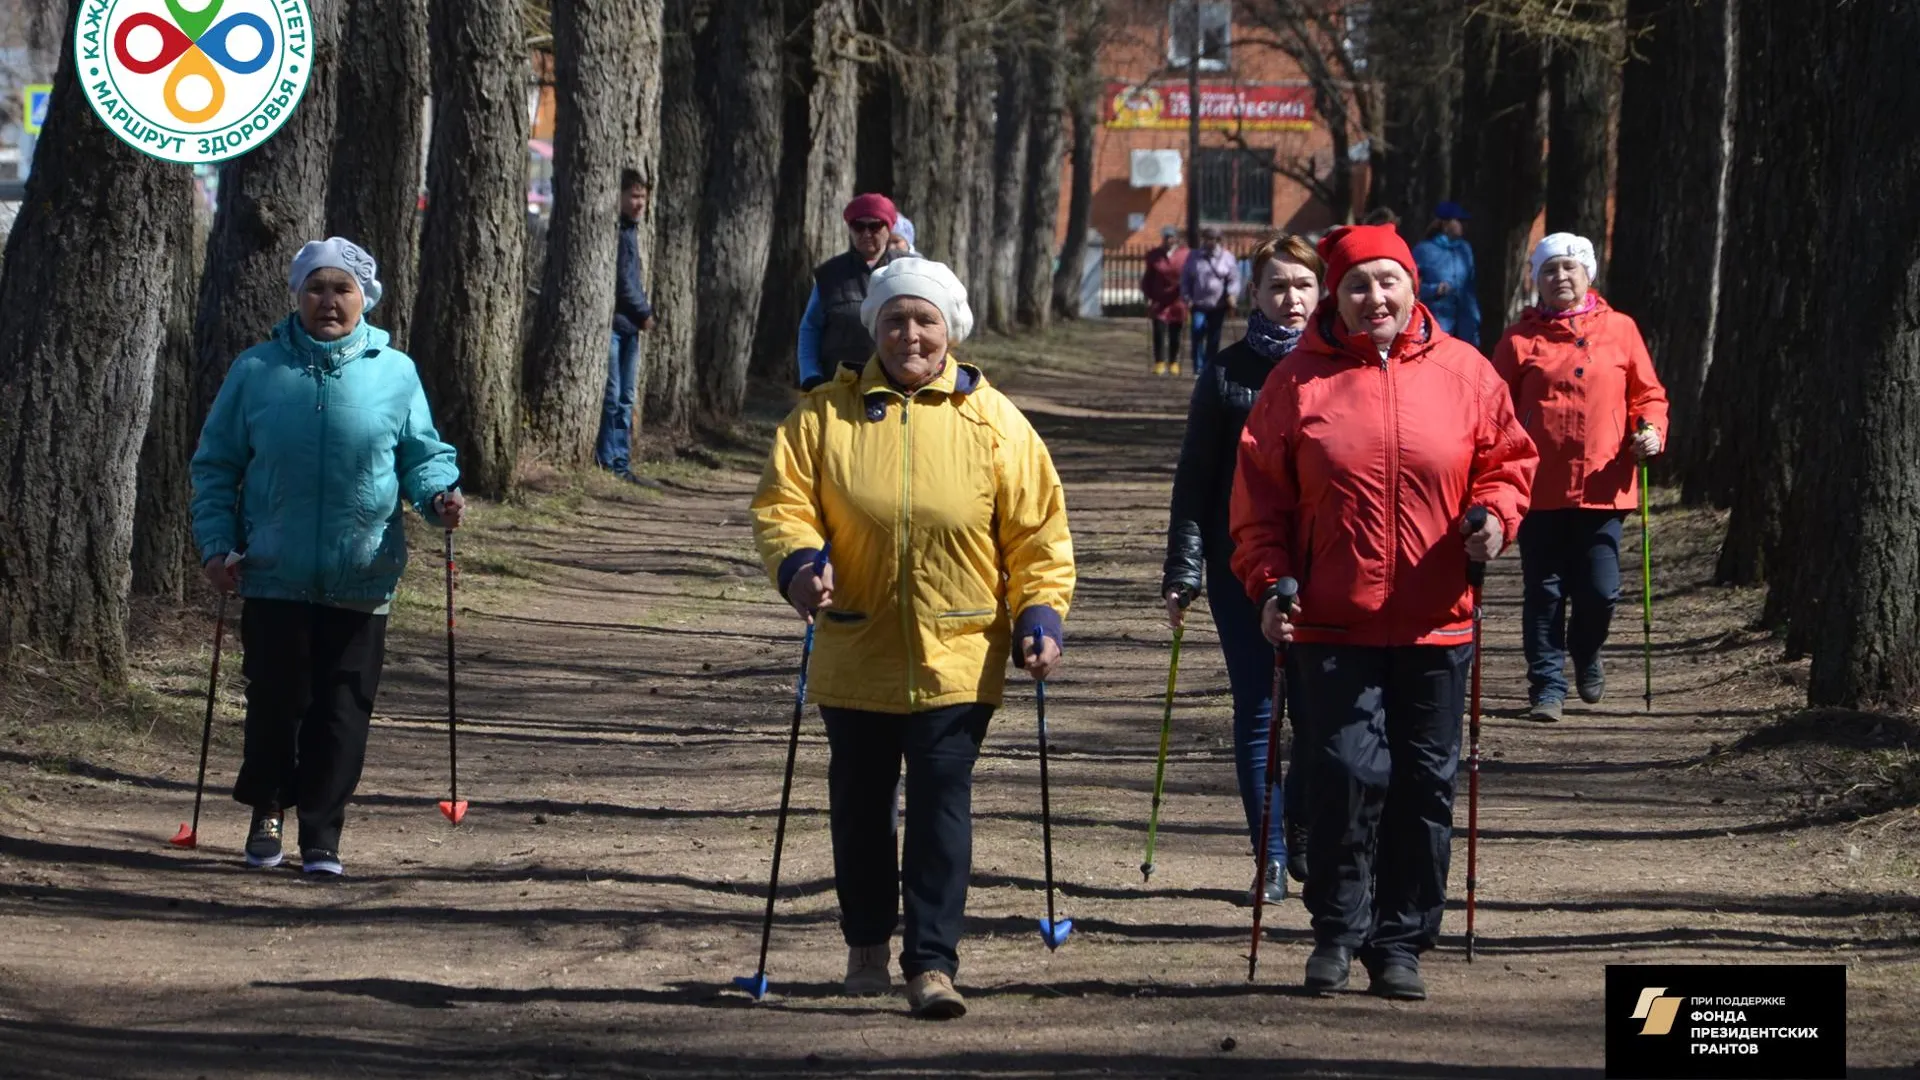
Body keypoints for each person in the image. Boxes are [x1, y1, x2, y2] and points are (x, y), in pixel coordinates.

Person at [751, 256, 1075, 1020]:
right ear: (875, 331)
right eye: (895, 320)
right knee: (860, 804)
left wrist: (1040, 614)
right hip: (855, 644)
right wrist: (799, 564)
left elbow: (1038, 533)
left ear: (949, 330)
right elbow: (783, 505)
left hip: (960, 650)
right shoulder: (821, 417)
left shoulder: (995, 421)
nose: (910, 334)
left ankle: (932, 963)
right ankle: (865, 946)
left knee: (940, 805)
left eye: (924, 320)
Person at [1231, 224, 1536, 1001]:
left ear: (1413, 286)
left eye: (1387, 282)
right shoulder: (1295, 382)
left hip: (1438, 618)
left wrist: (1494, 518)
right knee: (1343, 774)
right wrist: (1271, 581)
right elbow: (1259, 502)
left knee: (1425, 784)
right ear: (1335, 296)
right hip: (1332, 619)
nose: (1374, 298)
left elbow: (1508, 464)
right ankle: (1338, 929)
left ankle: (1401, 939)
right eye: (1357, 285)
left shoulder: (1467, 372)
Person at [191, 237, 465, 878]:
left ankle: (322, 835)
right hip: (272, 572)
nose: (328, 301)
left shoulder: (394, 372)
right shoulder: (256, 371)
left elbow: (422, 457)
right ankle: (267, 811)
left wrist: (438, 499)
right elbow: (216, 467)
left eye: (342, 289)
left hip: (361, 574)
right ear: (297, 295)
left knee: (342, 712)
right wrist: (215, 547)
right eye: (316, 288)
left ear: (363, 298)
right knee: (276, 704)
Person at [1162, 233, 1322, 900]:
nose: (1291, 298)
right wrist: (1183, 569)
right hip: (1241, 572)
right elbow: (1196, 479)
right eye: (1278, 286)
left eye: (1303, 285)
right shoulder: (1226, 373)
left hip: (1325, 570)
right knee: (1260, 708)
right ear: (1252, 294)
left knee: (1320, 714)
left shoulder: (1341, 371)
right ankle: (1273, 853)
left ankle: (1308, 829)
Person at [1493, 233, 1670, 722]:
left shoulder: (1621, 330)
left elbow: (1649, 395)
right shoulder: (1517, 340)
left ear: (1588, 274)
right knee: (1544, 590)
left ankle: (1586, 649)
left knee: (1600, 590)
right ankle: (1547, 687)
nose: (1561, 278)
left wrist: (1651, 432)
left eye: (1570, 268)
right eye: (1550, 270)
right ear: (1537, 280)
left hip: (1602, 484)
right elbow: (1492, 409)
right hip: (1537, 487)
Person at [796, 193, 898, 390]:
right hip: (838, 384)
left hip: (893, 385)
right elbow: (810, 328)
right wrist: (810, 374)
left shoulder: (910, 269)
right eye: (858, 226)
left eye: (875, 226)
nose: (866, 233)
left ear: (889, 228)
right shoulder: (830, 274)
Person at [598, 168, 656, 482]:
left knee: (626, 398)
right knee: (613, 395)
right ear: (619, 196)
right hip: (617, 326)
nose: (638, 204)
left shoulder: (633, 231)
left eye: (642, 198)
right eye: (633, 196)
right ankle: (608, 458)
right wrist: (645, 312)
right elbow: (623, 282)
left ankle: (621, 459)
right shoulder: (619, 233)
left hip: (629, 329)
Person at [1411, 201, 1481, 348]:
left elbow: (1470, 285)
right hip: (1436, 324)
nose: (1463, 225)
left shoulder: (1465, 249)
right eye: (1459, 221)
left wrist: (1474, 317)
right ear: (1445, 224)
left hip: (1465, 327)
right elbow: (1411, 288)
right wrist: (1434, 290)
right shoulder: (1423, 250)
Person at [1180, 225, 1241, 376]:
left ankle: (1209, 366)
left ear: (1219, 240)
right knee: (1197, 330)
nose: (1210, 242)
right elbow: (1185, 279)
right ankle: (1197, 366)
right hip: (1198, 303)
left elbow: (1234, 278)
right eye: (1207, 238)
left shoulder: (1227, 257)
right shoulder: (1194, 256)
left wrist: (1232, 294)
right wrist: (1186, 296)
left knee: (1214, 336)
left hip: (1218, 305)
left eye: (1213, 239)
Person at [1141, 226, 1190, 376]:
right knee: (1159, 331)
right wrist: (1148, 295)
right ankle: (1160, 362)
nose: (1168, 240)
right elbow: (1148, 278)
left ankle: (1173, 362)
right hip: (1159, 299)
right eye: (1166, 237)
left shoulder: (1185, 255)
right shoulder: (1154, 255)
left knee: (1175, 332)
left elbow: (1190, 277)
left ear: (1176, 239)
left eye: (1171, 237)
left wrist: (1190, 295)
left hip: (1177, 300)